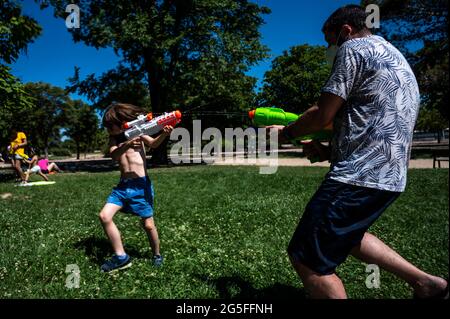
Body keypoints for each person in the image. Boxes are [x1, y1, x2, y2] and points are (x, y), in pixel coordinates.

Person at [268, 5, 448, 299]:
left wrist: (285, 133)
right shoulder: (395, 56)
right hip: (389, 176)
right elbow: (375, 121)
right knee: (348, 236)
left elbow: (323, 113)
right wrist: (328, 151)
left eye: (329, 41)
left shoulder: (353, 49)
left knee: (308, 257)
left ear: (346, 31)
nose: (329, 49)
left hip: (357, 176)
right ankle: (427, 284)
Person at [99, 102, 173, 272]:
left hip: (141, 186)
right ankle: (121, 256)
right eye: (107, 127)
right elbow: (114, 156)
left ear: (123, 122)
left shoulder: (139, 133)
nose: (109, 130)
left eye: (111, 126)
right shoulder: (114, 140)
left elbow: (153, 144)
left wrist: (164, 134)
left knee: (148, 225)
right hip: (123, 187)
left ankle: (156, 255)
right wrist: (126, 144)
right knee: (104, 216)